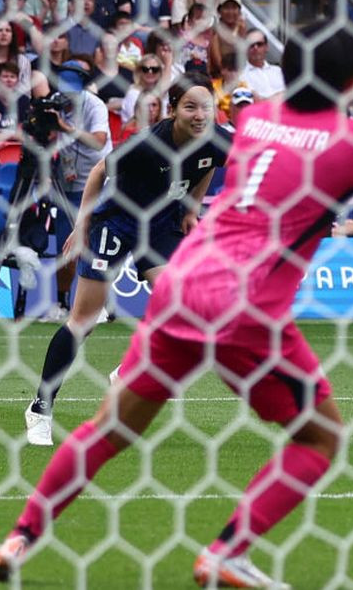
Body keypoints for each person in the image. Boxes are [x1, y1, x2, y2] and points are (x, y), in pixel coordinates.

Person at [0, 26, 353, 587]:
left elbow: (242, 177)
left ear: (288, 73)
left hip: (182, 282)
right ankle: (226, 551)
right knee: (321, 438)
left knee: (108, 429)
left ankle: (20, 537)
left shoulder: (256, 120)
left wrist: (193, 206)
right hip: (243, 303)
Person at [22, 72, 232, 447]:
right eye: (190, 107)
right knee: (83, 320)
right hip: (117, 223)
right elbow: (100, 172)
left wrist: (192, 206)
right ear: (172, 110)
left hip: (162, 224)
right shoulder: (149, 145)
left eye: (207, 107)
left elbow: (210, 162)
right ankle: (40, 408)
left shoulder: (215, 138)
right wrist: (82, 224)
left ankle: (131, 371)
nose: (200, 115)